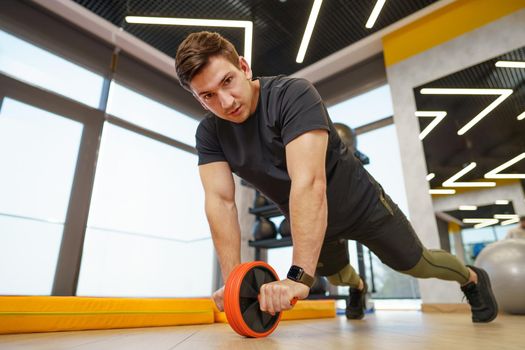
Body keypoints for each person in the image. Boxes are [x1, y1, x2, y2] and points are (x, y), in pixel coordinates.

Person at [175, 31, 498, 323]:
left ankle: (470, 277)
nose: (225, 102)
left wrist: (298, 276)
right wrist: (235, 282)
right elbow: (220, 201)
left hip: (362, 205)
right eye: (208, 96)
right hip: (314, 220)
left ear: (244, 67)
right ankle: (358, 287)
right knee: (338, 275)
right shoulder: (210, 133)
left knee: (417, 264)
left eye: (227, 81)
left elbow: (309, 182)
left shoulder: (292, 94)